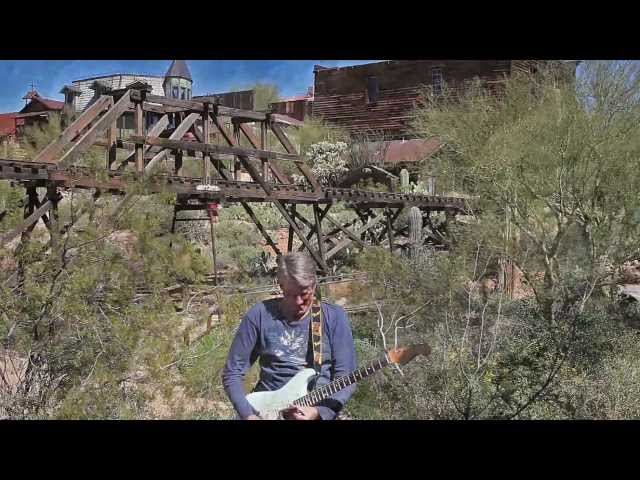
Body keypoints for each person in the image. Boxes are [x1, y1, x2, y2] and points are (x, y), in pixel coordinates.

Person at [222, 252, 357, 420]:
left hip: (313, 411)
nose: (299, 301)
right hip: (264, 411)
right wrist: (248, 415)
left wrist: (318, 413)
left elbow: (346, 378)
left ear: (314, 285)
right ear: (281, 286)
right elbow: (232, 372)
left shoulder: (334, 317)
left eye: (305, 293)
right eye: (291, 294)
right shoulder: (259, 315)